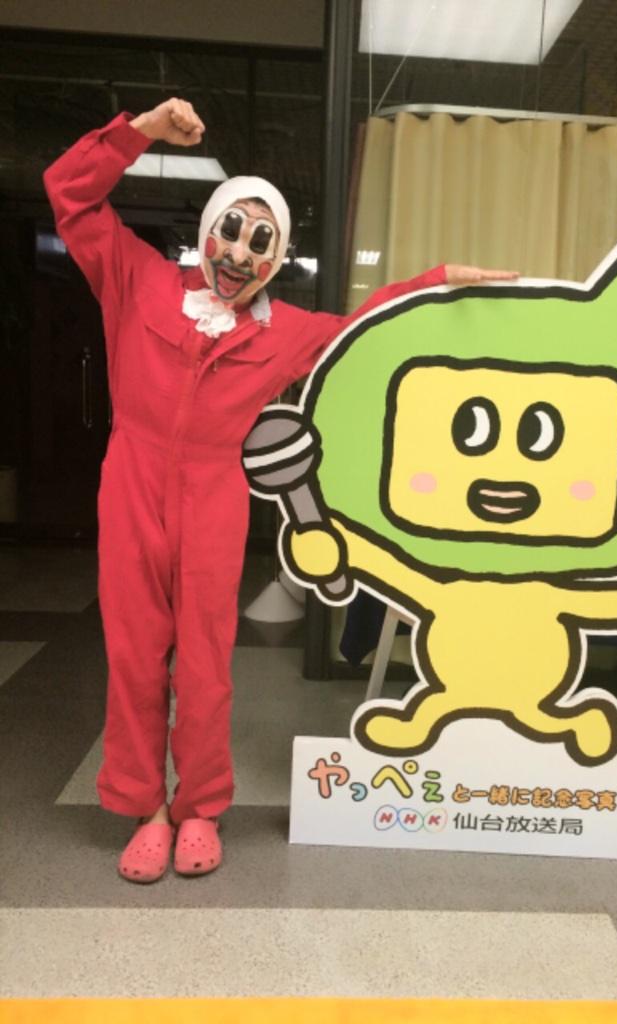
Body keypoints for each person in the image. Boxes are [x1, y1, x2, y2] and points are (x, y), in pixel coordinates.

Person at [43, 97, 519, 883]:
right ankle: (146, 810)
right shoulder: (139, 279)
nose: (239, 253)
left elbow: (363, 331)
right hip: (130, 485)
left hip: (215, 497)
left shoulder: (283, 330)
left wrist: (437, 285)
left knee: (205, 666)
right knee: (133, 657)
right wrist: (141, 132)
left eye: (260, 242)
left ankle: (200, 807)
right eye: (232, 230)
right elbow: (69, 192)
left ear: (276, 257)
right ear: (209, 230)